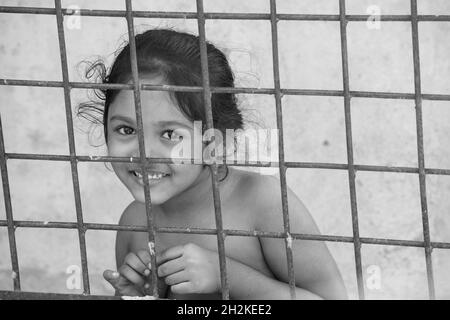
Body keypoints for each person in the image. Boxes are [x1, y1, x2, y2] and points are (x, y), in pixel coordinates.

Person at [78, 28, 347, 300]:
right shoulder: (134, 223)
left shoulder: (262, 202)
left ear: (213, 142)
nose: (144, 153)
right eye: (126, 130)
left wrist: (226, 275)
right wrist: (138, 295)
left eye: (170, 134)